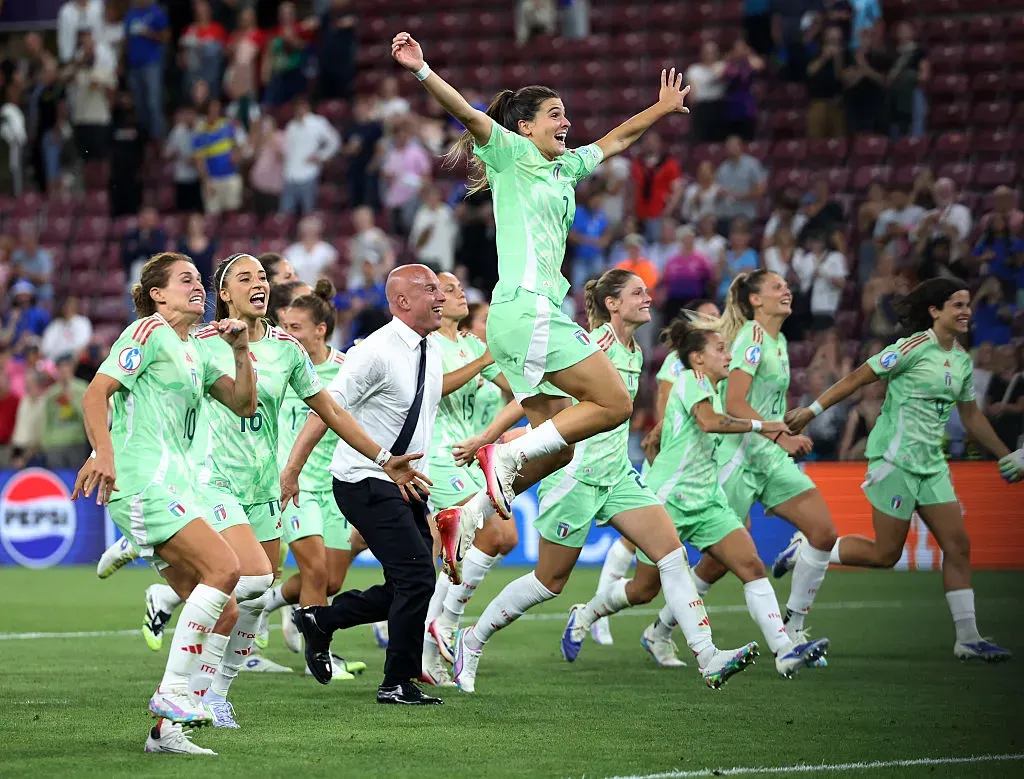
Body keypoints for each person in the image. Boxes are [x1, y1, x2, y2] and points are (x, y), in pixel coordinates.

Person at [392, 32, 692, 572]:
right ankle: (503, 454)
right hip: (528, 309)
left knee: (560, 448)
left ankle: (467, 515)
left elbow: (618, 139)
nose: (566, 122)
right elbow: (466, 112)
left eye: (566, 114)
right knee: (617, 403)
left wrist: (662, 108)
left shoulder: (565, 167)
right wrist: (421, 69)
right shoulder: (510, 153)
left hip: (529, 317)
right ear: (525, 125)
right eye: (554, 114)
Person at [100, 255, 431, 719]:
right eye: (245, 278)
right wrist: (106, 453)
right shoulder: (195, 342)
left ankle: (212, 693)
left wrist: (382, 458)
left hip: (263, 483)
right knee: (248, 576)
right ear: (225, 295)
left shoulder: (286, 349)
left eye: (262, 277)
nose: (258, 283)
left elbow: (330, 412)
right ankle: (184, 659)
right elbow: (135, 395)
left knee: (255, 593)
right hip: (209, 479)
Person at [448, 270, 759, 692]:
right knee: (548, 582)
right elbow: (535, 399)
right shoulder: (591, 346)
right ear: (612, 304)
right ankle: (473, 637)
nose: (647, 298)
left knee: (671, 555)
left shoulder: (633, 351)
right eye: (637, 293)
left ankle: (707, 655)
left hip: (618, 476)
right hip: (576, 477)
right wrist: (489, 436)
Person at [573, 315, 830, 677]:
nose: (729, 355)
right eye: (721, 349)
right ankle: (587, 613)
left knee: (751, 565)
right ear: (698, 358)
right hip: (669, 499)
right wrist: (768, 425)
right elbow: (710, 422)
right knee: (644, 589)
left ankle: (785, 650)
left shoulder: (712, 386)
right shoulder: (690, 381)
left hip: (708, 499)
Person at [75, 251, 257, 755]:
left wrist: (241, 352)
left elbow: (243, 404)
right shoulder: (147, 332)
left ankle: (166, 734)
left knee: (226, 611)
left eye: (200, 279)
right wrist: (104, 454)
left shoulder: (194, 347)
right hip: (142, 482)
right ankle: (174, 695)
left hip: (178, 489)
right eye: (185, 280)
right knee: (226, 567)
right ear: (157, 293)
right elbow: (96, 394)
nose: (198, 286)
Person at [786, 278, 1021, 661]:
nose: (965, 311)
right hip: (894, 462)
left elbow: (971, 416)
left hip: (932, 466)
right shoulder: (913, 347)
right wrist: (812, 412)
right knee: (885, 555)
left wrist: (1005, 454)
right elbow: (857, 378)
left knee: (958, 545)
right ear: (935, 311)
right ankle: (812, 549)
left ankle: (968, 638)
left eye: (967, 304)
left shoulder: (961, 360)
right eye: (956, 304)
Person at [284, 264, 447, 705]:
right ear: (402, 302)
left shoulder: (432, 348)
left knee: (410, 582)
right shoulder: (374, 351)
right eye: (429, 288)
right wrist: (293, 469)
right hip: (365, 478)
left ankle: (320, 621)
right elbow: (327, 409)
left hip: (405, 481)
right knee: (416, 576)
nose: (441, 295)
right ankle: (396, 681)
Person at [691, 271, 838, 649]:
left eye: (787, 285)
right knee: (719, 561)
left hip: (770, 459)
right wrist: (781, 435)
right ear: (755, 300)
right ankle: (660, 629)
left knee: (822, 533)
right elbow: (736, 402)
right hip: (737, 458)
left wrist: (783, 431)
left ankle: (794, 626)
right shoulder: (750, 340)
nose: (787, 290)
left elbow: (765, 400)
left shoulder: (779, 340)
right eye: (777, 286)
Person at [592, 298, 720, 646]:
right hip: (669, 459)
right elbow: (666, 417)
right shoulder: (675, 369)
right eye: (707, 317)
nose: (715, 321)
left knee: (652, 545)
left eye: (717, 316)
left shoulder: (716, 363)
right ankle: (599, 614)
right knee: (634, 539)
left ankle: (638, 622)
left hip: (700, 464)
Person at [257, 281, 366, 681]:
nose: (287, 334)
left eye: (296, 327)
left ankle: (265, 604)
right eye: (284, 325)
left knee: (331, 580)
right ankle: (319, 657)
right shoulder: (278, 365)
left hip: (334, 487)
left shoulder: (345, 370)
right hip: (292, 486)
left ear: (320, 330)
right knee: (316, 572)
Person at [419, 273, 519, 686]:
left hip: (469, 457)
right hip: (438, 457)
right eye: (453, 289)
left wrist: (496, 430)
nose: (462, 293)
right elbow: (434, 390)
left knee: (462, 550)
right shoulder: (427, 343)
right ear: (435, 299)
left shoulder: (471, 342)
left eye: (463, 287)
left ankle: (428, 651)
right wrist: (482, 362)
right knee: (496, 536)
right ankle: (444, 623)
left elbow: (515, 391)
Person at [281, 96, 341, 216]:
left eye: (302, 107)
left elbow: (335, 141)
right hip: (290, 175)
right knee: (286, 214)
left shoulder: (318, 122)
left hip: (308, 173)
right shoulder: (291, 126)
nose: (299, 110)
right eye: (297, 108)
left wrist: (321, 157)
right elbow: (287, 150)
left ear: (307, 107)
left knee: (308, 212)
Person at [123, 0, 169, 140]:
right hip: (134, 65)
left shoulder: (156, 12)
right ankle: (145, 138)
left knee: (153, 102)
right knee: (139, 104)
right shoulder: (131, 14)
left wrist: (149, 33)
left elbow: (166, 37)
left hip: (151, 64)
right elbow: (126, 39)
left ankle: (158, 138)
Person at [285, 215, 339, 285]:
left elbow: (330, 274)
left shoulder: (328, 250)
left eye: (312, 230)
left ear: (319, 231)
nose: (309, 233)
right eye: (307, 230)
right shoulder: (291, 251)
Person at [40, 297, 92, 364]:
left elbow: (83, 343)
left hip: (72, 359)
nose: (68, 308)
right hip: (54, 360)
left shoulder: (82, 322)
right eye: (66, 306)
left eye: (71, 306)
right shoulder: (56, 324)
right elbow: (46, 346)